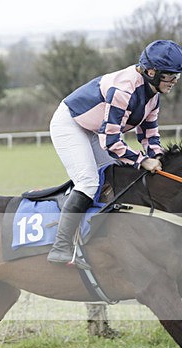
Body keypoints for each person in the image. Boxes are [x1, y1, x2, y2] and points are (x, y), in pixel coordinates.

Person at [47, 39, 182, 268]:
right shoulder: (125, 89)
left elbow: (150, 133)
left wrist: (157, 156)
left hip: (94, 128)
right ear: (151, 72)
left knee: (114, 176)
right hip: (71, 124)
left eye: (177, 75)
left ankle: (97, 239)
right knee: (89, 182)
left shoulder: (153, 94)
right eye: (170, 75)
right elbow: (110, 141)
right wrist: (141, 161)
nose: (175, 81)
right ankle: (61, 247)